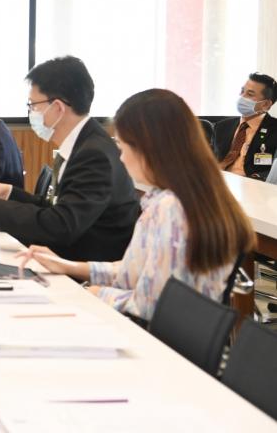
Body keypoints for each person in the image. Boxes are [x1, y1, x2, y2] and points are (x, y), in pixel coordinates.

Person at [16, 89, 256, 321]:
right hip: (167, 334)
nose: (121, 157)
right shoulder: (189, 195)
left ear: (148, 149)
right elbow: (136, 271)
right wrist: (69, 267)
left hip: (158, 340)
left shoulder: (172, 209)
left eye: (123, 147)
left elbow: (150, 306)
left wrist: (95, 293)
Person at [0, 56, 139, 261]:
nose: (31, 112)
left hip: (83, 269)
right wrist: (9, 192)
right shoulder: (81, 143)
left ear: (58, 107)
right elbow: (56, 207)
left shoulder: (93, 154)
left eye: (33, 105)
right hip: (63, 257)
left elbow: (61, 225)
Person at [214, 72, 277, 180]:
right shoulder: (222, 126)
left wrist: (256, 180)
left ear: (265, 104)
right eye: (242, 91)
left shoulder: (274, 129)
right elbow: (208, 158)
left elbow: (272, 171)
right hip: (218, 181)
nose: (242, 97)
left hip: (253, 186)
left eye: (250, 94)